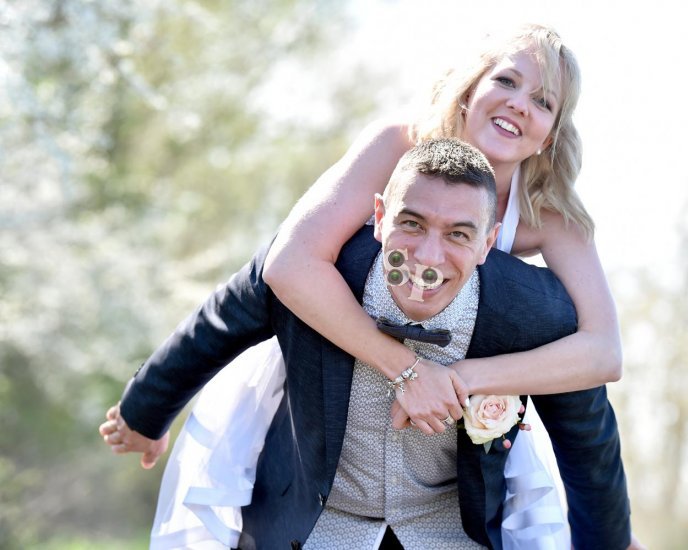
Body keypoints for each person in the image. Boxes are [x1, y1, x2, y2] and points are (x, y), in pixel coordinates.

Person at [101, 23, 646, 548]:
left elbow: (601, 353)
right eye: (506, 80)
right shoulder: (397, 145)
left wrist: (460, 380)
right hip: (332, 358)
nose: (519, 104)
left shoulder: (550, 213)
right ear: (470, 87)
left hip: (442, 456)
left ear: (551, 133)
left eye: (543, 101)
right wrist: (408, 369)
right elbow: (283, 267)